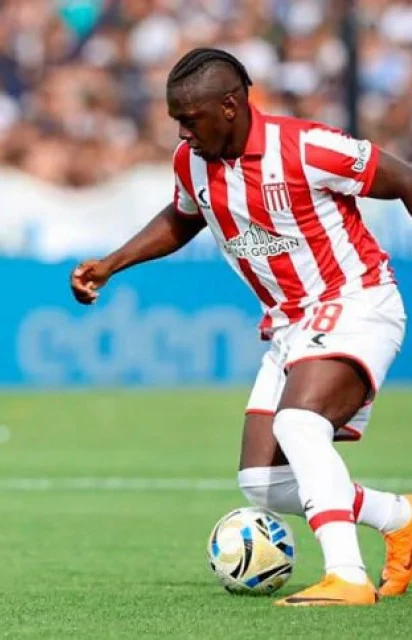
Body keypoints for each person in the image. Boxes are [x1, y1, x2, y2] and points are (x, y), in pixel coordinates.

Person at [70, 48, 412, 606]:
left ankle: (347, 576)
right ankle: (399, 518)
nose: (182, 132)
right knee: (264, 483)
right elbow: (184, 216)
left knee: (300, 425)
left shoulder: (307, 147)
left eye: (190, 118)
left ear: (230, 106)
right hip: (290, 325)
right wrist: (111, 264)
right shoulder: (192, 162)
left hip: (354, 301)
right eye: (176, 120)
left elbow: (403, 179)